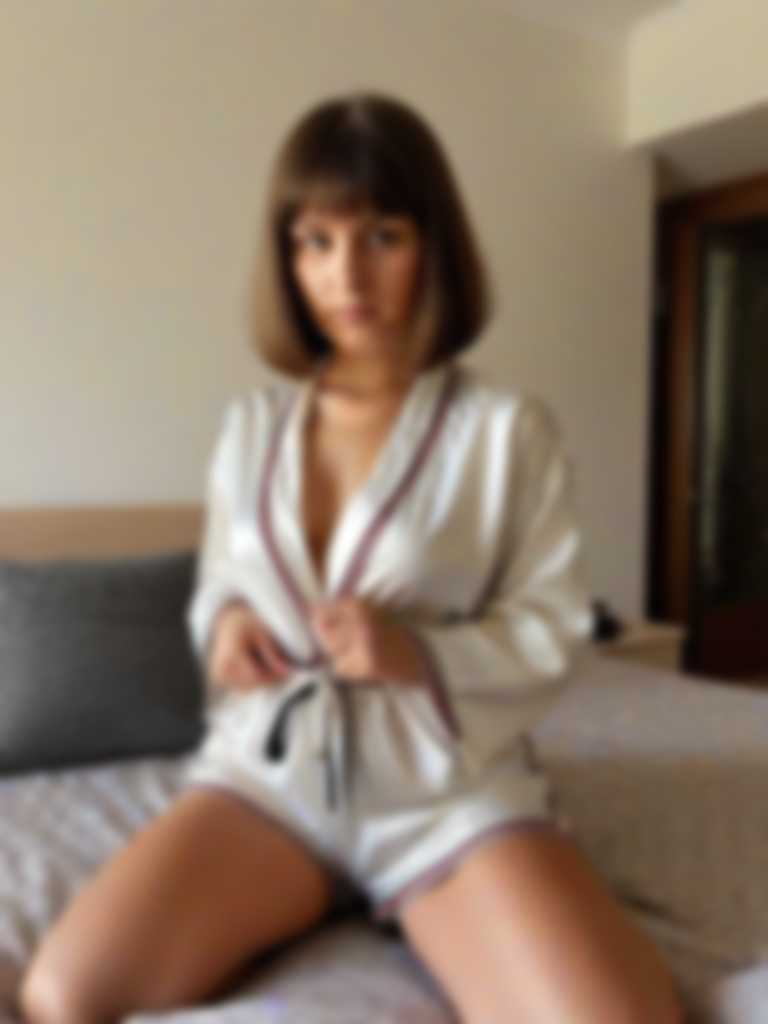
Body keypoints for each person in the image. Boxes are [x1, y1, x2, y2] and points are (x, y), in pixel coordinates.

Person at [19, 91, 684, 1024]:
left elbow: (553, 622)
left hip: (442, 793)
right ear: (287, 256)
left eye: (383, 236)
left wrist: (419, 655)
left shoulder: (504, 433)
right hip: (274, 781)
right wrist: (229, 625)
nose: (346, 276)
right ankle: (307, 890)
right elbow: (221, 579)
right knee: (62, 994)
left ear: (434, 245)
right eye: (315, 242)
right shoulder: (251, 430)